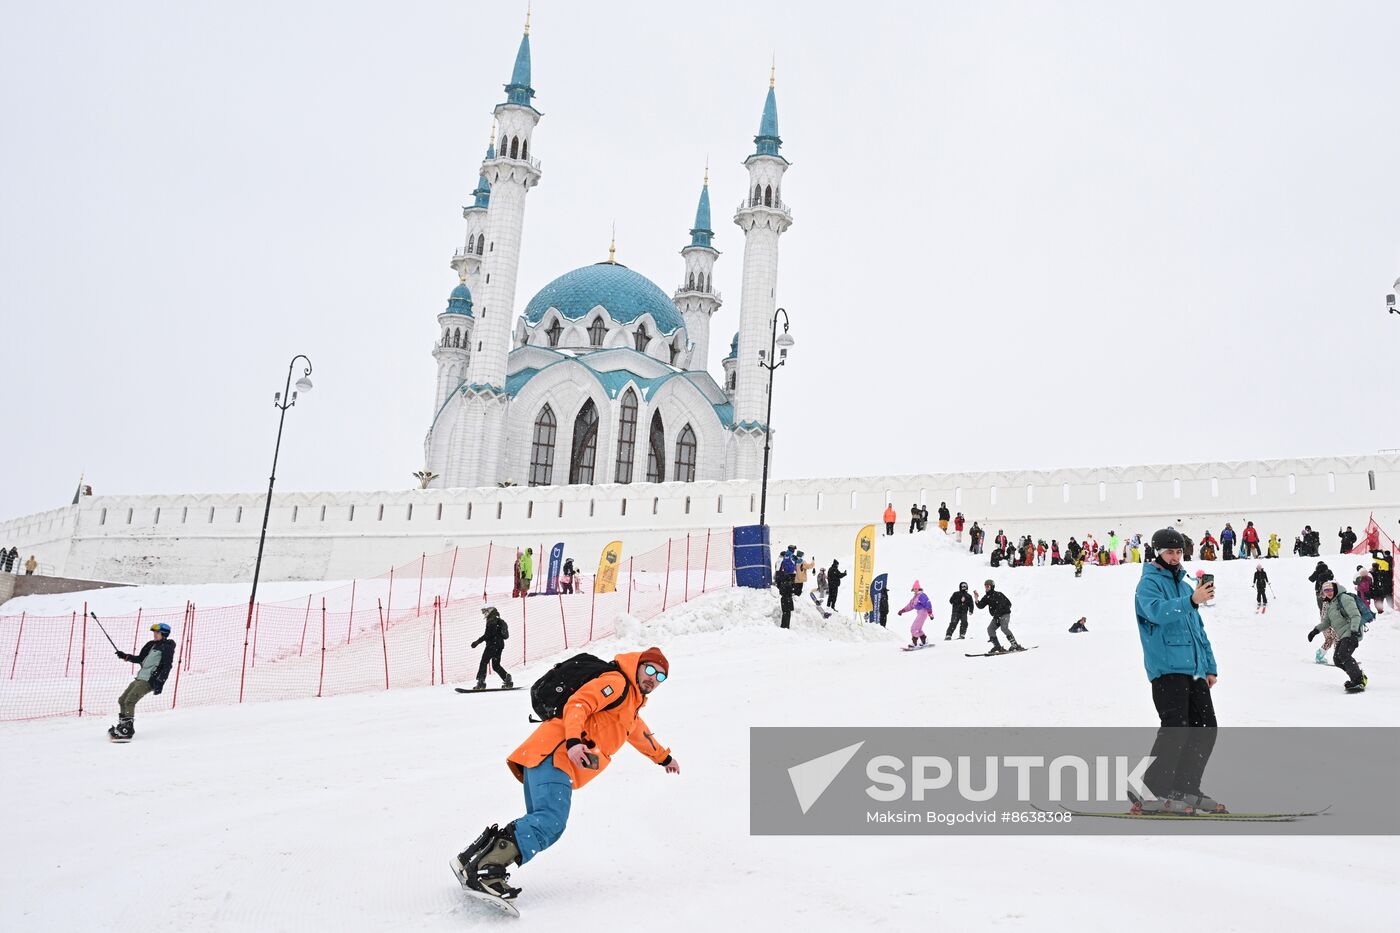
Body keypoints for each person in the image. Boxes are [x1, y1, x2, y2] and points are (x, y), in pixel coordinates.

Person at [451, 648, 679, 905]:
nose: (653, 678)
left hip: (544, 754)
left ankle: (471, 860)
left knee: (539, 820)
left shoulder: (630, 708)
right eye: (649, 669)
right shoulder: (617, 683)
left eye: (660, 677)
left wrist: (664, 758)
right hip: (555, 754)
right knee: (550, 822)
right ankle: (486, 871)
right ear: (637, 665)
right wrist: (573, 741)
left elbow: (640, 734)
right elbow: (578, 704)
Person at [1133, 528, 1222, 815]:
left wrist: (1209, 665)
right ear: (1157, 552)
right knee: (1176, 728)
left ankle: (1184, 786)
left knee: (1206, 728)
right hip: (1167, 668)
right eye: (1169, 551)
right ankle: (1147, 788)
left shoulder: (1185, 587)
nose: (1174, 557)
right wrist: (1190, 601)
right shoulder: (1148, 584)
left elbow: (1198, 630)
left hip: (1194, 669)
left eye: (1179, 552)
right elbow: (1157, 612)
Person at [110, 622, 177, 740]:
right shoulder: (151, 645)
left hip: (149, 680)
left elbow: (167, 666)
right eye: (154, 632)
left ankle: (128, 729)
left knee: (130, 701)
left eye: (157, 632)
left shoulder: (167, 647)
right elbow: (140, 659)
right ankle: (123, 726)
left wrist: (159, 682)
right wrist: (125, 656)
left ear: (164, 634)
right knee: (122, 700)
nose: (155, 635)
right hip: (141, 677)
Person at [1309, 582, 1367, 692]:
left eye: (1330, 590)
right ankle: (1358, 675)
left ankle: (1358, 681)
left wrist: (1354, 631)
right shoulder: (1331, 605)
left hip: (1351, 631)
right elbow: (1327, 622)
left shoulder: (1344, 598)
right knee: (1337, 659)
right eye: (1326, 591)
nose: (1329, 593)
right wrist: (1315, 630)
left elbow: (1355, 615)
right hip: (1343, 634)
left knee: (1343, 654)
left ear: (1335, 589)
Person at [470, 605, 514, 690]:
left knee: (484, 662)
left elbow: (488, 635)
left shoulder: (491, 620)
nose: (485, 614)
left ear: (490, 611)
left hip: (492, 645)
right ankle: (507, 679)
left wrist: (477, 642)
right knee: (496, 665)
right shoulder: (499, 621)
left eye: (486, 611)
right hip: (500, 645)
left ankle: (481, 682)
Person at [974, 579, 1020, 653]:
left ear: (992, 587)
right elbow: (980, 606)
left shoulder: (998, 594)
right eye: (985, 586)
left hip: (1005, 614)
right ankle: (997, 646)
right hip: (996, 616)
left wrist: (1000, 613)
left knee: (1004, 628)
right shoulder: (987, 597)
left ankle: (1015, 645)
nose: (986, 588)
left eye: (988, 586)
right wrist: (976, 599)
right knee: (990, 629)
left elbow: (1008, 604)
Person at [897, 581, 933, 648]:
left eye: (916, 588)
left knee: (913, 628)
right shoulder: (915, 597)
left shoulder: (922, 595)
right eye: (914, 589)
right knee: (918, 628)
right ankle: (924, 641)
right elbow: (910, 606)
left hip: (923, 612)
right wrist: (902, 611)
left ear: (919, 588)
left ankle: (914, 643)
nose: (915, 590)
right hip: (920, 612)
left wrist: (930, 613)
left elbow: (928, 603)